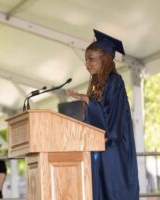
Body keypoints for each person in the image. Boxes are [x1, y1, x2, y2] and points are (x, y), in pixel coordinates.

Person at [67, 29, 139, 200]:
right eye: (86, 59)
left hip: (113, 148)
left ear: (104, 59)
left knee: (111, 193)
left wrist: (88, 102)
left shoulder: (115, 81)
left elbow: (114, 118)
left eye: (91, 59)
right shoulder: (96, 85)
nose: (87, 64)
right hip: (99, 147)